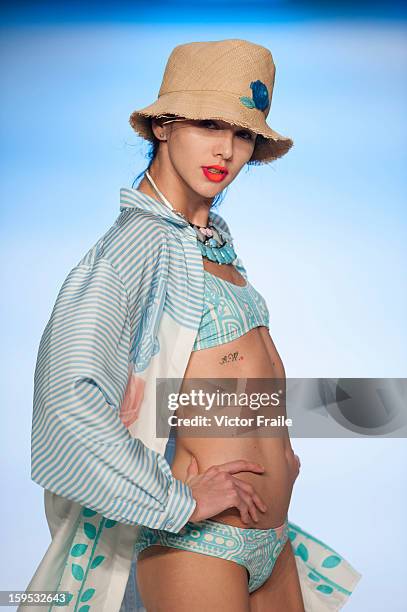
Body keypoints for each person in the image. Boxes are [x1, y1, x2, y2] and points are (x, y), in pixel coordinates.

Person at [20, 39, 361, 612]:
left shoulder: (211, 244)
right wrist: (174, 502)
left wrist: (281, 456)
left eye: (244, 133)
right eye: (208, 124)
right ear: (162, 126)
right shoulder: (131, 250)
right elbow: (66, 400)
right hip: (197, 542)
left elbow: (209, 382)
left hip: (271, 537)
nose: (227, 150)